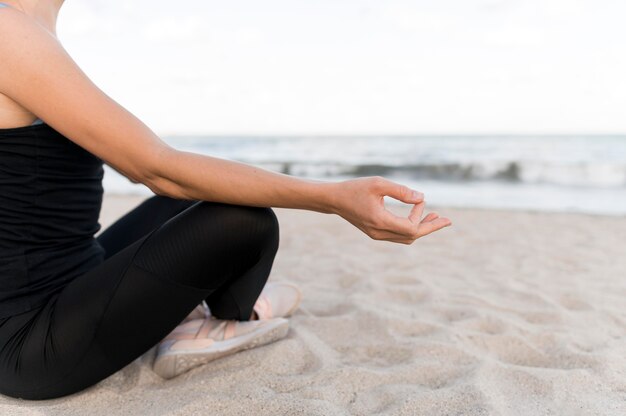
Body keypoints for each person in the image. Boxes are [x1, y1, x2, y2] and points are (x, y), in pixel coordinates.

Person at [0, 0, 452, 401]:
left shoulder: (34, 32)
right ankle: (215, 322)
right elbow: (155, 168)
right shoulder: (9, 31)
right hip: (29, 341)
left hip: (78, 272)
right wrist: (332, 198)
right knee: (242, 221)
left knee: (195, 200)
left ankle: (184, 318)